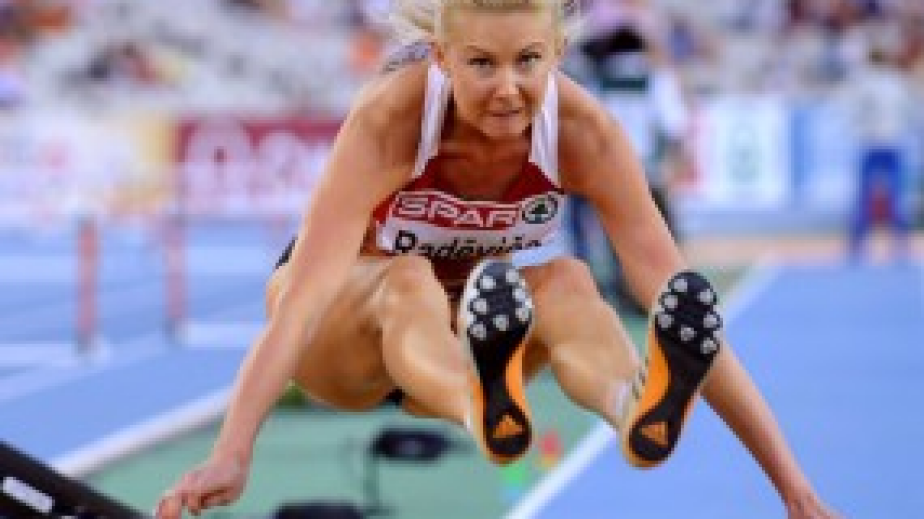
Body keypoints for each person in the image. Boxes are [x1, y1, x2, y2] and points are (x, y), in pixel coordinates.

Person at [155, 1, 837, 517]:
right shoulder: (391, 120)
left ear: (558, 51)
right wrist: (234, 450)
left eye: (528, 61)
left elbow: (685, 312)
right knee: (407, 277)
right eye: (482, 64)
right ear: (441, 57)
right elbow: (302, 304)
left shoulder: (585, 133)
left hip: (465, 332)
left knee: (569, 280)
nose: (508, 88)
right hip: (345, 339)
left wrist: (793, 487)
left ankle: (631, 408)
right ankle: (480, 407)